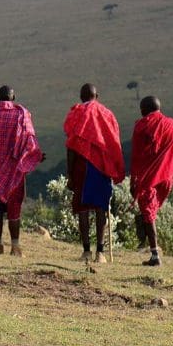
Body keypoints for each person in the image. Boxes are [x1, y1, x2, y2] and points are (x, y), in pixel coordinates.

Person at [0, 85, 45, 257]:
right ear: (13, 98)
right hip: (14, 172)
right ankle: (15, 247)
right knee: (14, 210)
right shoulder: (21, 115)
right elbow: (29, 141)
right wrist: (36, 156)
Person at [63, 83, 125, 263]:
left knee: (82, 208)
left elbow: (71, 146)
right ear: (97, 96)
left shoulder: (76, 113)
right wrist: (114, 168)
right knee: (101, 208)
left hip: (81, 165)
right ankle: (101, 252)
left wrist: (70, 174)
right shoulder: (108, 115)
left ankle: (86, 251)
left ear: (81, 97)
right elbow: (114, 143)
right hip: (102, 167)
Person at [130, 95, 173, 267]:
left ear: (144, 110)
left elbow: (136, 155)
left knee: (148, 214)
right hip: (167, 178)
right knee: (150, 213)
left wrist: (133, 180)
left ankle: (155, 255)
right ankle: (151, 248)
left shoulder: (142, 125)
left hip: (149, 179)